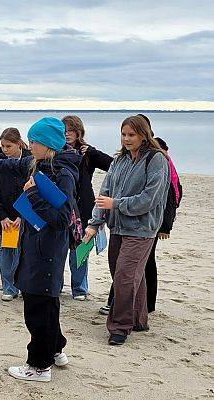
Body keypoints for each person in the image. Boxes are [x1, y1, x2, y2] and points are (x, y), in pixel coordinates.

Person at [0, 117, 80, 382]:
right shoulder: (36, 163)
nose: (29, 145)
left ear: (48, 144)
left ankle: (38, 366)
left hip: (49, 249)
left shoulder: (62, 173)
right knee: (47, 300)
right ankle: (55, 349)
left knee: (37, 305)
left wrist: (31, 194)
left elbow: (63, 219)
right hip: (34, 242)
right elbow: (2, 164)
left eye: (34, 141)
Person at [84, 115, 169, 345]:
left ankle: (120, 327)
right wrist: (94, 224)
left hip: (142, 229)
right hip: (118, 227)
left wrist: (117, 204)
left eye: (131, 135)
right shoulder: (119, 160)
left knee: (124, 276)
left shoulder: (156, 159)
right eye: (123, 134)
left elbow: (149, 198)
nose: (126, 139)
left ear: (144, 135)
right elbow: (104, 193)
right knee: (129, 276)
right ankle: (139, 320)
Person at [62, 115, 113, 300]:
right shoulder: (57, 151)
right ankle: (56, 285)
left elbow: (113, 165)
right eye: (64, 130)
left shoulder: (87, 153)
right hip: (64, 205)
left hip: (83, 206)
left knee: (81, 249)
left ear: (79, 132)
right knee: (59, 248)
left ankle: (79, 289)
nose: (67, 134)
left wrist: (92, 152)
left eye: (71, 130)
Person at [0, 127, 31, 301]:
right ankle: (8, 287)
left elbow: (33, 192)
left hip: (25, 217)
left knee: (24, 253)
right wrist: (2, 217)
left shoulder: (30, 161)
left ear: (19, 144)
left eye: (9, 146)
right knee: (4, 252)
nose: (5, 150)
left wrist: (22, 216)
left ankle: (23, 286)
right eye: (3, 146)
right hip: (2, 217)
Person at [144, 136, 182, 312]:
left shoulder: (165, 165)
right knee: (144, 261)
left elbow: (172, 197)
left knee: (148, 261)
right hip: (149, 220)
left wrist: (166, 226)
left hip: (157, 223)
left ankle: (149, 303)